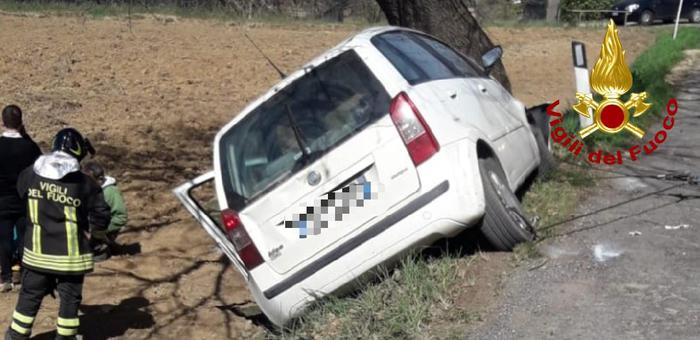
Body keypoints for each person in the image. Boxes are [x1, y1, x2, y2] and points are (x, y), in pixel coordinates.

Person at [5, 128, 110, 340]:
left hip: (36, 254)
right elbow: (101, 213)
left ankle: (16, 336)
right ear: (78, 151)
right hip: (70, 260)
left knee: (29, 297)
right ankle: (65, 337)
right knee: (69, 301)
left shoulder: (30, 174)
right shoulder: (84, 184)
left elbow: (20, 192)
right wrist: (97, 238)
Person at [0, 105, 42, 292]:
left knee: (3, 239)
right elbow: (39, 168)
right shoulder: (30, 147)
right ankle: (24, 277)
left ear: (2, 123)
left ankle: (5, 278)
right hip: (24, 198)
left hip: (1, 200)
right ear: (21, 122)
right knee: (25, 238)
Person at [82, 161, 127, 261]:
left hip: (102, 228)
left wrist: (99, 232)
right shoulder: (87, 187)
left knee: (94, 254)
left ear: (100, 179)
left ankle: (102, 247)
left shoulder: (110, 192)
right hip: (90, 225)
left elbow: (121, 217)